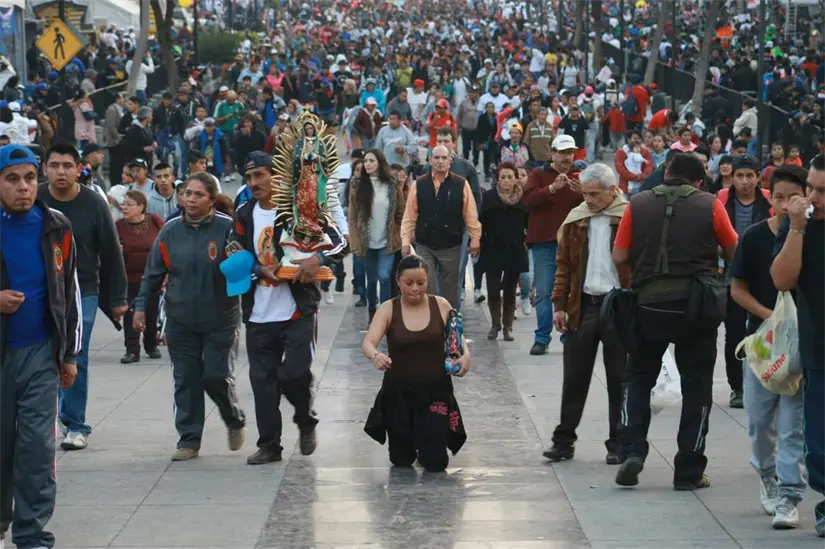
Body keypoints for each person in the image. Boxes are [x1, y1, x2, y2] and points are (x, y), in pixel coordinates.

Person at [612, 153, 738, 489]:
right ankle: (688, 470)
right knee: (697, 386)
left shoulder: (636, 204)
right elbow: (733, 249)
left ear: (666, 173)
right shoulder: (710, 204)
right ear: (699, 181)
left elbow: (620, 256)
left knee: (637, 377)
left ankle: (632, 451)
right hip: (696, 309)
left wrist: (634, 285)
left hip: (648, 305)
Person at [226, 152, 345, 464]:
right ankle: (269, 445)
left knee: (294, 373)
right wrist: (257, 268)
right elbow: (232, 246)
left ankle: (306, 422)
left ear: (275, 176)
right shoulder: (244, 213)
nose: (254, 183)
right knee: (262, 383)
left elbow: (340, 242)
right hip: (258, 312)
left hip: (297, 310)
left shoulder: (302, 210)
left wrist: (317, 259)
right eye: (250, 178)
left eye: (260, 175)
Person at [133, 172, 246, 462]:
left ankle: (233, 418)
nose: (191, 199)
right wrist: (140, 306)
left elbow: (244, 271)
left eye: (198, 194)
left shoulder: (228, 228)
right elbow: (152, 274)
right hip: (180, 319)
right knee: (185, 379)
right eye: (187, 193)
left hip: (221, 318)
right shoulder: (170, 231)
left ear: (211, 199)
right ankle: (189, 438)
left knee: (216, 376)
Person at [0, 144, 80, 549]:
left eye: (29, 178)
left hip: (40, 354)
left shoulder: (56, 226)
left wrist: (69, 354)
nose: (23, 188)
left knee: (35, 448)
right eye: (12, 179)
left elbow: (69, 292)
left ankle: (31, 534)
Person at [38, 141, 128, 451]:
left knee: (75, 354)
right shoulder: (33, 198)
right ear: (45, 168)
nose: (61, 172)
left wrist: (119, 298)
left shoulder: (93, 203)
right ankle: (42, 420)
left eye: (67, 166)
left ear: (79, 169)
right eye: (55, 165)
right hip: (40, 290)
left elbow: (111, 252)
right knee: (40, 355)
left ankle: (75, 425)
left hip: (83, 290)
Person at [730, 164, 807, 530]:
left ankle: (789, 496)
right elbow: (737, 288)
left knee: (793, 426)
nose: (784, 205)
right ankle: (767, 474)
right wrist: (771, 319)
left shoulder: (811, 235)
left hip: (801, 347)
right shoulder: (755, 236)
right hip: (762, 346)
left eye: (792, 198)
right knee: (761, 421)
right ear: (769, 197)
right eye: (777, 198)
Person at [542, 163, 629, 465]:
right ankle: (563, 440)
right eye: (586, 194)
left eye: (595, 195)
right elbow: (563, 265)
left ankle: (618, 441)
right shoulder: (577, 220)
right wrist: (558, 305)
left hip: (619, 306)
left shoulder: (628, 217)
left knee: (620, 378)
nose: (589, 201)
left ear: (612, 191)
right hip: (583, 305)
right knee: (574, 376)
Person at [361, 254, 469, 472]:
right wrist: (376, 356)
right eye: (408, 283)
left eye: (421, 283)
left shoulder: (441, 305)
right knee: (401, 460)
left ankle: (429, 441)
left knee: (435, 463)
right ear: (398, 281)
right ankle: (409, 441)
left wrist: (465, 357)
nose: (415, 289)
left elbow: (457, 339)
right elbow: (368, 343)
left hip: (435, 393)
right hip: (399, 394)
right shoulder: (388, 309)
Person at [771, 153, 825, 536]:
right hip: (819, 350)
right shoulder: (800, 228)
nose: (814, 197)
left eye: (823, 191)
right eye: (812, 188)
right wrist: (796, 228)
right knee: (819, 443)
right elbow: (782, 280)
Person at [717, 155, 772, 408]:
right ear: (732, 177)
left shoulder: (769, 200)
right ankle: (737, 387)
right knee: (735, 334)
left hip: (763, 277)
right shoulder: (722, 200)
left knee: (763, 331)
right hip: (731, 277)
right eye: (740, 175)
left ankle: (764, 380)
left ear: (758, 177)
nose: (745, 181)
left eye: (750, 176)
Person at [522, 135, 583, 356]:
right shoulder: (539, 175)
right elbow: (527, 202)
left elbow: (596, 203)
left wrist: (584, 192)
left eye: (570, 153)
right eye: (563, 153)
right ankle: (542, 337)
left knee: (571, 292)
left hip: (572, 243)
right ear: (553, 154)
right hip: (544, 243)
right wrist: (551, 190)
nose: (567, 157)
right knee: (544, 292)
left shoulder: (579, 176)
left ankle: (569, 335)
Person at [400, 145, 481, 309]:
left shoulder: (461, 184)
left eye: (444, 158)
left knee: (450, 290)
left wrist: (475, 239)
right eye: (436, 158)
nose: (440, 161)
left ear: (450, 161)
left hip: (451, 245)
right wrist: (405, 241)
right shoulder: (419, 184)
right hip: (425, 244)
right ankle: (429, 324)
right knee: (426, 285)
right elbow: (409, 216)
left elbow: (471, 215)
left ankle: (450, 326)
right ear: (430, 160)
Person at [348, 149, 405, 322]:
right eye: (366, 161)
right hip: (367, 241)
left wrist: (398, 232)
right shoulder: (357, 185)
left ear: (380, 162)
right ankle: (372, 310)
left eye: (371, 160)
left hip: (387, 240)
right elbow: (352, 215)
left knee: (385, 276)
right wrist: (354, 238)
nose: (368, 164)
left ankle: (386, 315)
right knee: (371, 279)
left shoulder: (392, 184)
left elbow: (401, 212)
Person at [479, 162, 528, 341]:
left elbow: (529, 223)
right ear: (498, 179)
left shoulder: (523, 198)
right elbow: (481, 221)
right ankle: (495, 324)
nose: (506, 181)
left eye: (510, 177)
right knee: (492, 290)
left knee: (509, 289)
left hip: (514, 249)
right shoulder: (490, 197)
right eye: (503, 177)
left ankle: (508, 327)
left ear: (516, 179)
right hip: (493, 248)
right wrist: (477, 242)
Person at [115, 190, 163, 364]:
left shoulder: (154, 221)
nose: (125, 208)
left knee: (151, 312)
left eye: (129, 204)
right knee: (130, 314)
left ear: (141, 207)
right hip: (128, 279)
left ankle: (151, 345)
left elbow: (166, 242)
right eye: (123, 204)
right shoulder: (118, 225)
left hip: (152, 277)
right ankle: (132, 350)